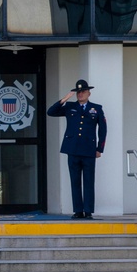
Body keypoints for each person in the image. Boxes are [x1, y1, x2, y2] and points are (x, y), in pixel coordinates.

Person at [47, 79, 107, 219]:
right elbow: (51, 112)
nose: (80, 94)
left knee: (88, 181)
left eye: (83, 92)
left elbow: (103, 130)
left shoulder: (96, 108)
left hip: (89, 149)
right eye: (78, 92)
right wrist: (64, 99)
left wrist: (100, 149)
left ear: (88, 93)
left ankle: (88, 211)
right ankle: (78, 210)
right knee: (74, 181)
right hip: (73, 149)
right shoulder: (69, 107)